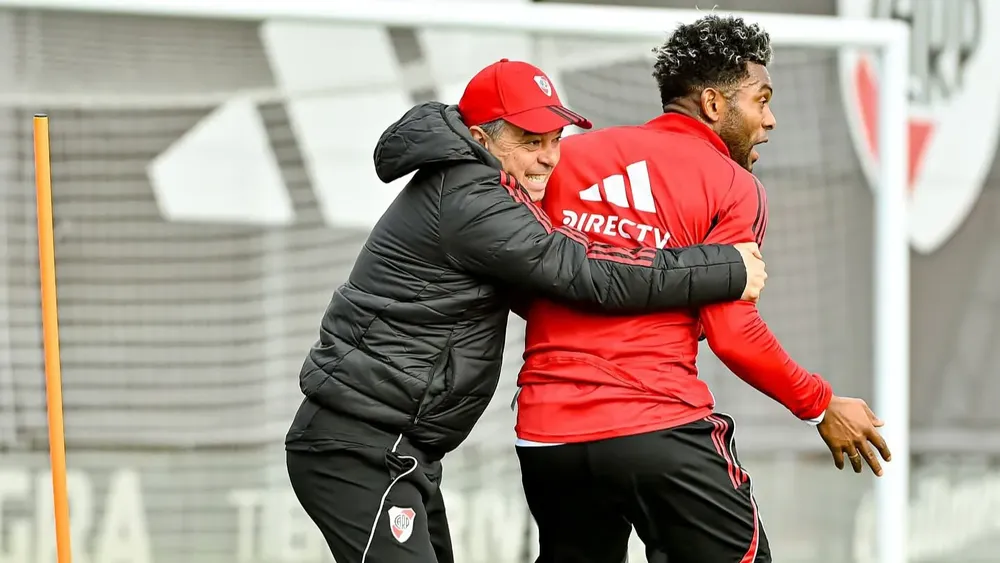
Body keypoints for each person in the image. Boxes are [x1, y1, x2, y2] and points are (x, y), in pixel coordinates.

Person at [284, 58, 767, 563]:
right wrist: (726, 267)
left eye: (555, 139)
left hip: (400, 449)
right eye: (531, 141)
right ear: (481, 138)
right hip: (357, 448)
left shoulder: (479, 186)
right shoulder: (471, 197)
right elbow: (581, 269)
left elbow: (556, 282)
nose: (549, 158)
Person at [513, 15, 893, 563]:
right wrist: (819, 403)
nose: (771, 120)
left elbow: (522, 278)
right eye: (761, 101)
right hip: (658, 427)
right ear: (713, 104)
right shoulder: (733, 184)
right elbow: (733, 334)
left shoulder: (567, 157)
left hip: (547, 439)